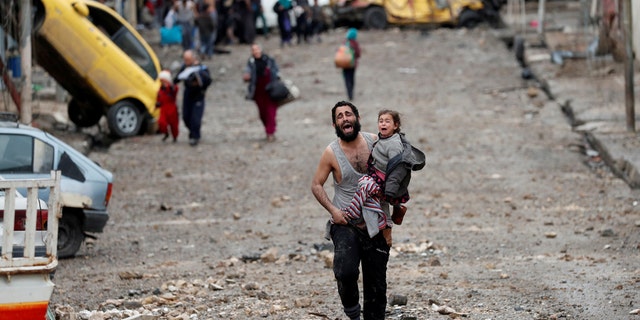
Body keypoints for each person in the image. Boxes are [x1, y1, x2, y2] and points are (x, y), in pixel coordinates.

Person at [311, 101, 387, 320]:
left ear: (358, 118)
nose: (345, 118)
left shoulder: (376, 143)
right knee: (345, 272)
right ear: (335, 123)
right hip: (346, 223)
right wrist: (333, 211)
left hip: (376, 224)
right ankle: (353, 313)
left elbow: (396, 175)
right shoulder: (331, 152)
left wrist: (396, 212)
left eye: (348, 114)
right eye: (339, 116)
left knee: (376, 285)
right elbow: (316, 184)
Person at [341, 109, 426, 246]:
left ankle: (352, 212)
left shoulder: (393, 144)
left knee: (364, 185)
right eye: (381, 121)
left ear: (395, 125)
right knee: (380, 203)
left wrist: (390, 189)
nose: (383, 124)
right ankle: (387, 222)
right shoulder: (382, 138)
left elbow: (398, 168)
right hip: (377, 174)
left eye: (387, 121)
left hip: (386, 181)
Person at [242, 43, 280, 142]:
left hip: (270, 90)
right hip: (258, 91)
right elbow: (247, 71)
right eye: (253, 50)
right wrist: (246, 76)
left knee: (271, 111)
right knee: (262, 113)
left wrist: (275, 78)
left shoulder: (269, 60)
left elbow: (276, 71)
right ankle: (268, 128)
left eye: (257, 49)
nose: (256, 51)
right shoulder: (251, 62)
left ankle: (270, 132)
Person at [173, 49, 212, 146]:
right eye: (185, 60)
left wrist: (197, 77)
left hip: (198, 95)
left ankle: (195, 136)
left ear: (193, 59)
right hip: (188, 94)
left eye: (188, 60)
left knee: (196, 118)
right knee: (186, 117)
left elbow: (208, 81)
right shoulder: (185, 67)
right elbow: (176, 79)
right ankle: (193, 131)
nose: (186, 62)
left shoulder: (202, 68)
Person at [157, 70, 180, 142]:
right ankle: (166, 133)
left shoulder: (171, 88)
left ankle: (175, 137)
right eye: (161, 81)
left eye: (164, 81)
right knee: (161, 122)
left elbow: (175, 89)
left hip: (172, 109)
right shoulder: (160, 89)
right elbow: (159, 98)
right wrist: (158, 103)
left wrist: (171, 86)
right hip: (163, 109)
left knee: (174, 125)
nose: (162, 83)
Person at [342, 27, 360, 101]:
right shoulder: (355, 43)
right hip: (352, 64)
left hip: (344, 64)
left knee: (346, 79)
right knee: (352, 78)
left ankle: (349, 93)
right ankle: (351, 93)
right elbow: (358, 54)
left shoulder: (345, 42)